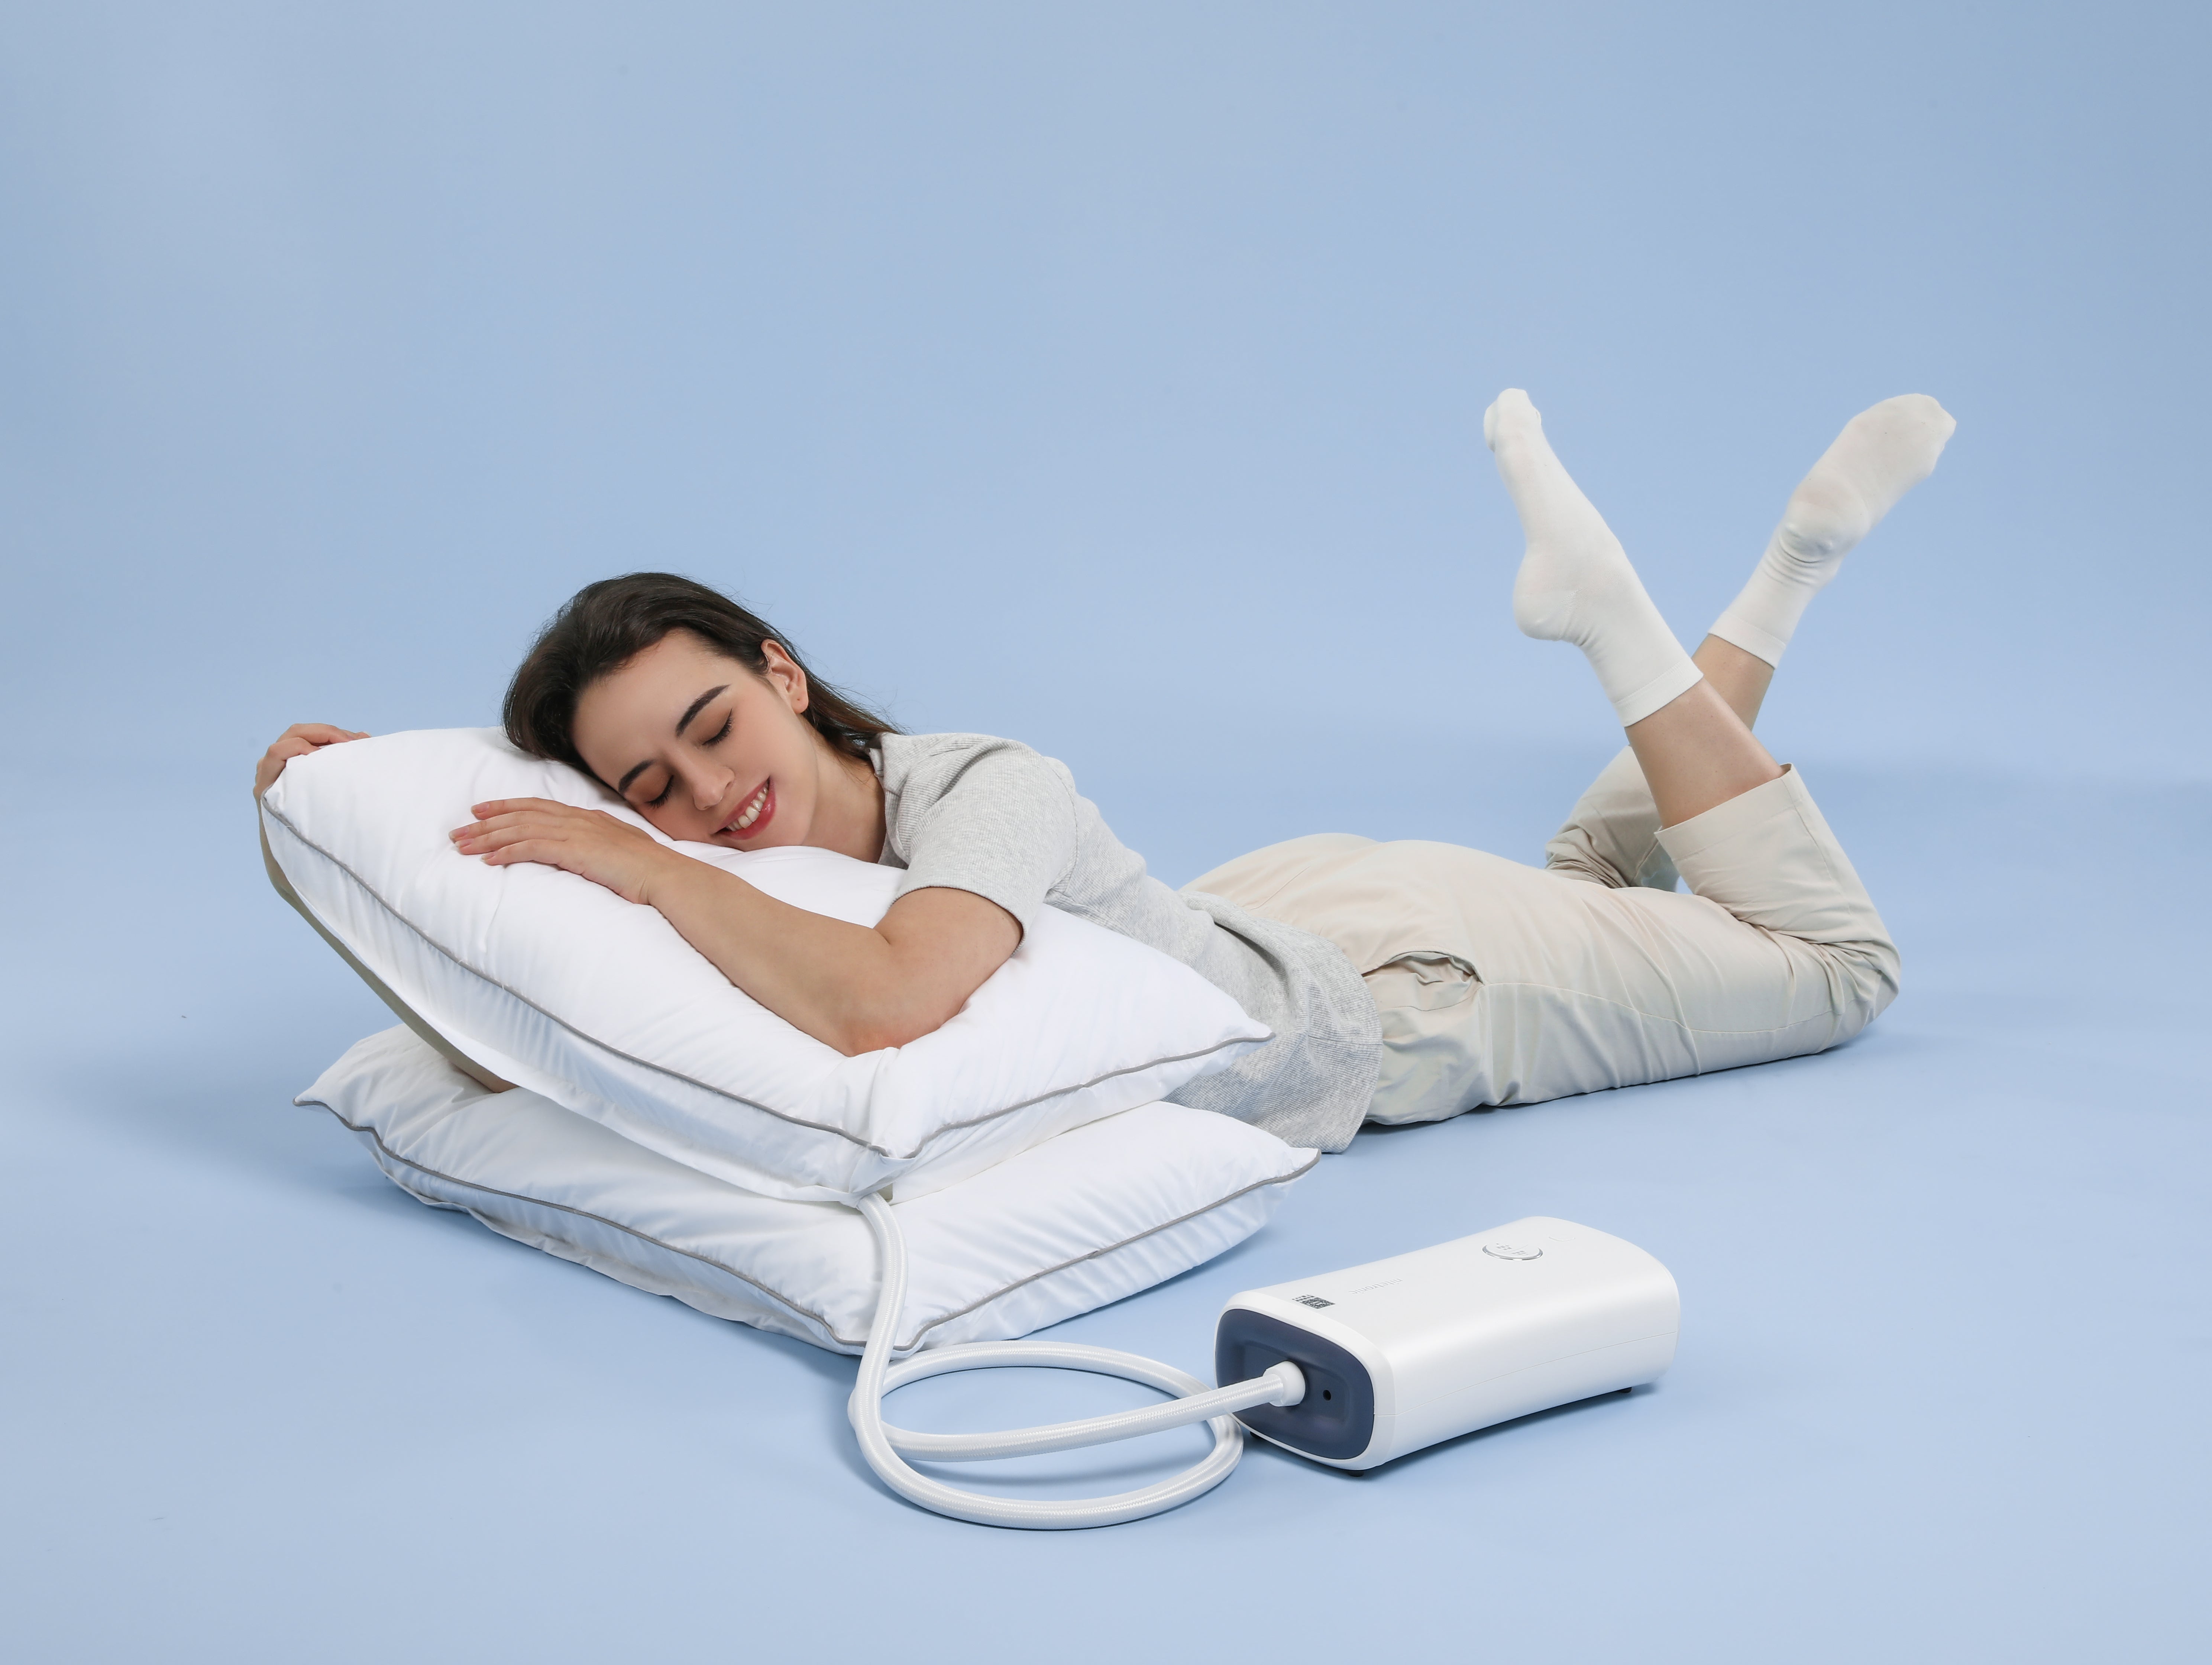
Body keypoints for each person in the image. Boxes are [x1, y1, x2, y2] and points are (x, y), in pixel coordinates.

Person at [255, 390, 1951, 1152]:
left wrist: (637, 858)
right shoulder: (741, 873)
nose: (702, 798)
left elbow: (889, 1000)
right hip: (1280, 910)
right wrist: (344, 820)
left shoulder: (973, 785)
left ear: (782, 676)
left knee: (1832, 966)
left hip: (1408, 998)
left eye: (713, 729)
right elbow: (546, 1042)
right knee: (1608, 887)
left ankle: (1623, 622)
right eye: (647, 790)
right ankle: (1789, 571)